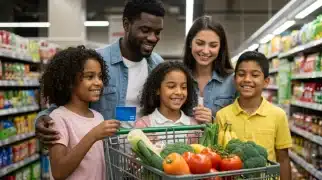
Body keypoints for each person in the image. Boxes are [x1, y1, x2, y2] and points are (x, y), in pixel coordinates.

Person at [35, 0, 167, 145]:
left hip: (144, 155)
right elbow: (66, 101)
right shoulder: (95, 62)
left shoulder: (158, 66)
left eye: (157, 32)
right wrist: (43, 117)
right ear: (126, 25)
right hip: (105, 153)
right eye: (145, 30)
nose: (153, 38)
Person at [40, 46, 121, 180]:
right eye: (90, 77)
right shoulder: (59, 118)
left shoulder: (98, 117)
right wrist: (93, 135)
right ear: (70, 81)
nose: (99, 83)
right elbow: (59, 172)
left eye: (100, 77)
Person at [215, 51, 292, 180]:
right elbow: (218, 158)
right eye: (241, 74)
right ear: (235, 79)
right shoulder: (222, 116)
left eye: (255, 75)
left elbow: (283, 159)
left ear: (266, 81)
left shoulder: (278, 115)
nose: (247, 79)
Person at [183, 15, 237, 121]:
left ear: (220, 48)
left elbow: (241, 119)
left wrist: (214, 120)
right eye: (200, 43)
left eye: (213, 45)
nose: (206, 51)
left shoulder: (233, 81)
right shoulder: (179, 78)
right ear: (190, 43)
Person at [134, 61, 199, 144]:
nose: (179, 92)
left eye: (183, 87)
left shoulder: (194, 126)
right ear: (157, 89)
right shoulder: (144, 125)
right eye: (171, 86)